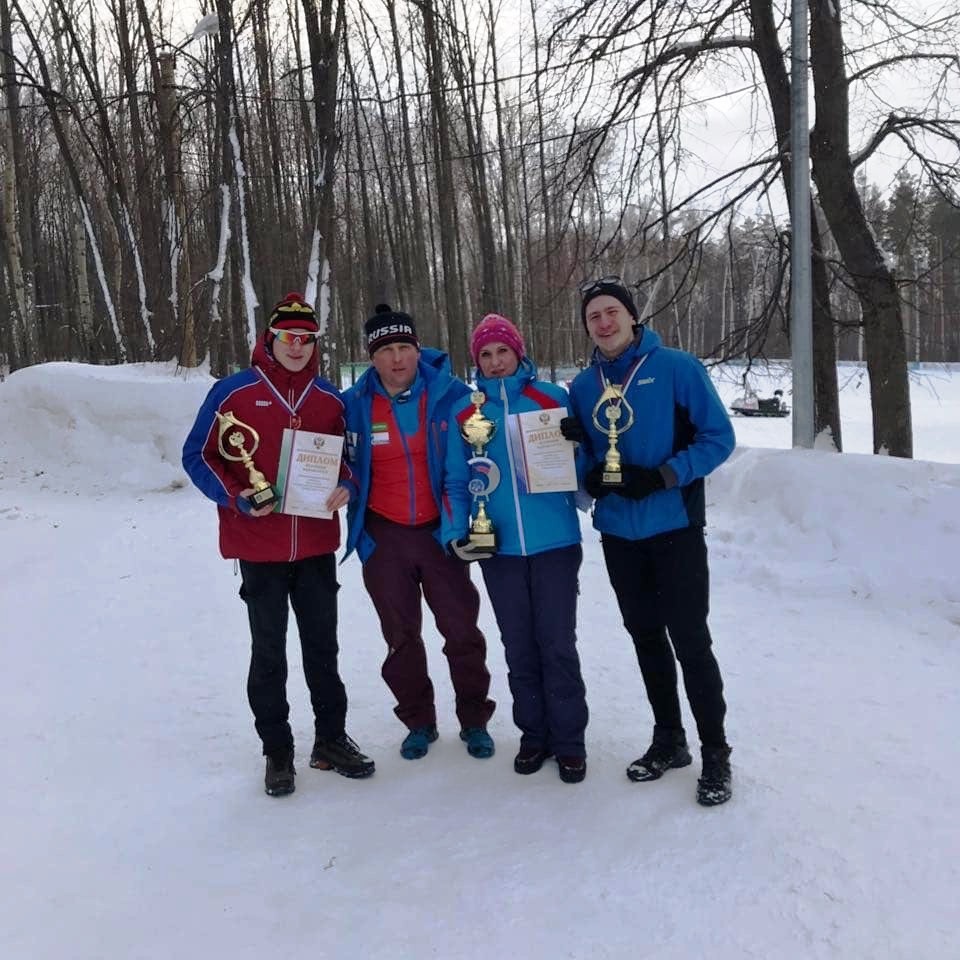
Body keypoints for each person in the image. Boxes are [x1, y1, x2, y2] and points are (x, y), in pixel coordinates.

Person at [182, 292, 375, 797]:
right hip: (259, 548)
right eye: (288, 337)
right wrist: (237, 496)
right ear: (270, 338)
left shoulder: (331, 399)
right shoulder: (234, 393)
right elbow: (197, 456)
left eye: (306, 339)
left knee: (323, 649)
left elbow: (350, 459)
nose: (297, 346)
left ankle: (331, 738)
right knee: (268, 651)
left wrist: (347, 485)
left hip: (314, 545)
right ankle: (277, 750)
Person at [563, 277, 736, 806]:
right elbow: (593, 451)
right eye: (594, 316)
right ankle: (669, 740)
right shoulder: (583, 386)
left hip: (675, 528)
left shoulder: (678, 368)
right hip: (619, 534)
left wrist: (663, 475)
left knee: (690, 641)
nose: (604, 322)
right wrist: (590, 475)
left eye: (612, 311)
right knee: (645, 638)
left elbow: (719, 438)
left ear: (632, 316)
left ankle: (716, 754)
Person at [342, 304, 496, 761]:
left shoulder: (453, 396)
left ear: (417, 349)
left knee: (461, 629)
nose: (396, 359)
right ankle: (418, 721)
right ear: (372, 356)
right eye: (386, 349)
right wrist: (343, 487)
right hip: (384, 534)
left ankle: (474, 719)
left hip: (440, 532)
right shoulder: (354, 404)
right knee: (400, 634)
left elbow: (485, 459)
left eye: (404, 347)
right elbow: (341, 462)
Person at [442, 314, 589, 783]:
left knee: (557, 644)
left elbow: (581, 470)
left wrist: (579, 445)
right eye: (485, 354)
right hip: (498, 547)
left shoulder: (552, 399)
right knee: (518, 646)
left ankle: (569, 741)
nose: (495, 361)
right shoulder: (467, 412)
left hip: (555, 542)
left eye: (502, 351)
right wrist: (455, 532)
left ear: (518, 352)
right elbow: (455, 480)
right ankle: (534, 736)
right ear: (476, 362)